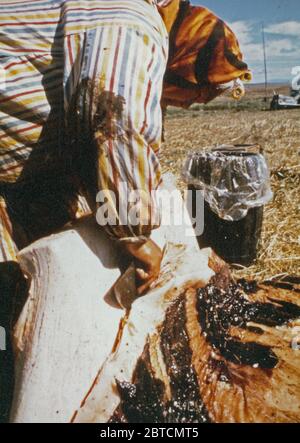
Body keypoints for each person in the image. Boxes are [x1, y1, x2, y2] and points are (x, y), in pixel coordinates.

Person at [0, 0, 250, 294]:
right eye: (197, 93)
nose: (190, 102)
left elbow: (88, 151)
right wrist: (135, 237)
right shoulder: (133, 23)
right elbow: (111, 124)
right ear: (187, 60)